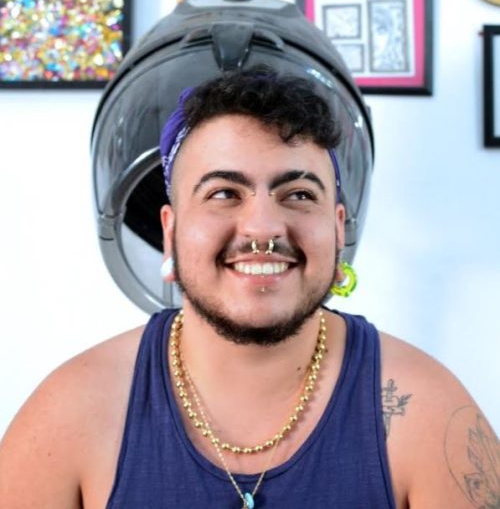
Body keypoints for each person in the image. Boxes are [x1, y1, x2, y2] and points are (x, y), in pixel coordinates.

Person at [0, 65, 497, 508]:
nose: (263, 227)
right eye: (224, 193)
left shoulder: (425, 412)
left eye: (298, 194)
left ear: (338, 228)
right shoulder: (71, 413)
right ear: (170, 231)